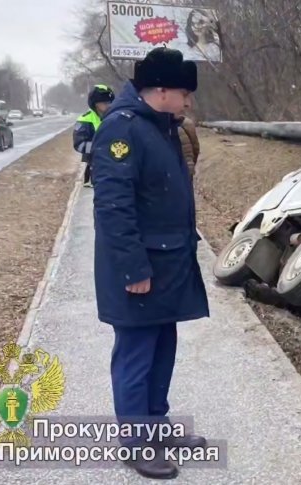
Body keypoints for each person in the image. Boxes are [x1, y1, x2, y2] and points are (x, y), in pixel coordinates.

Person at [90, 47, 209, 480]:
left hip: (169, 265)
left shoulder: (161, 126)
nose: (189, 102)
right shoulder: (121, 131)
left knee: (162, 350)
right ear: (160, 91)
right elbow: (113, 208)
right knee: (136, 356)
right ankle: (136, 443)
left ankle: (157, 426)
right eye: (184, 93)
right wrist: (132, 270)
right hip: (142, 269)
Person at [73, 84, 115, 187]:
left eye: (110, 102)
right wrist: (101, 148)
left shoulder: (117, 116)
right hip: (93, 168)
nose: (108, 105)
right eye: (104, 103)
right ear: (95, 104)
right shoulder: (85, 120)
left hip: (115, 165)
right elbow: (79, 144)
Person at [176, 109, 200, 180]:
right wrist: (192, 163)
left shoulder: (165, 127)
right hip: (188, 167)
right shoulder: (188, 124)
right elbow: (196, 148)